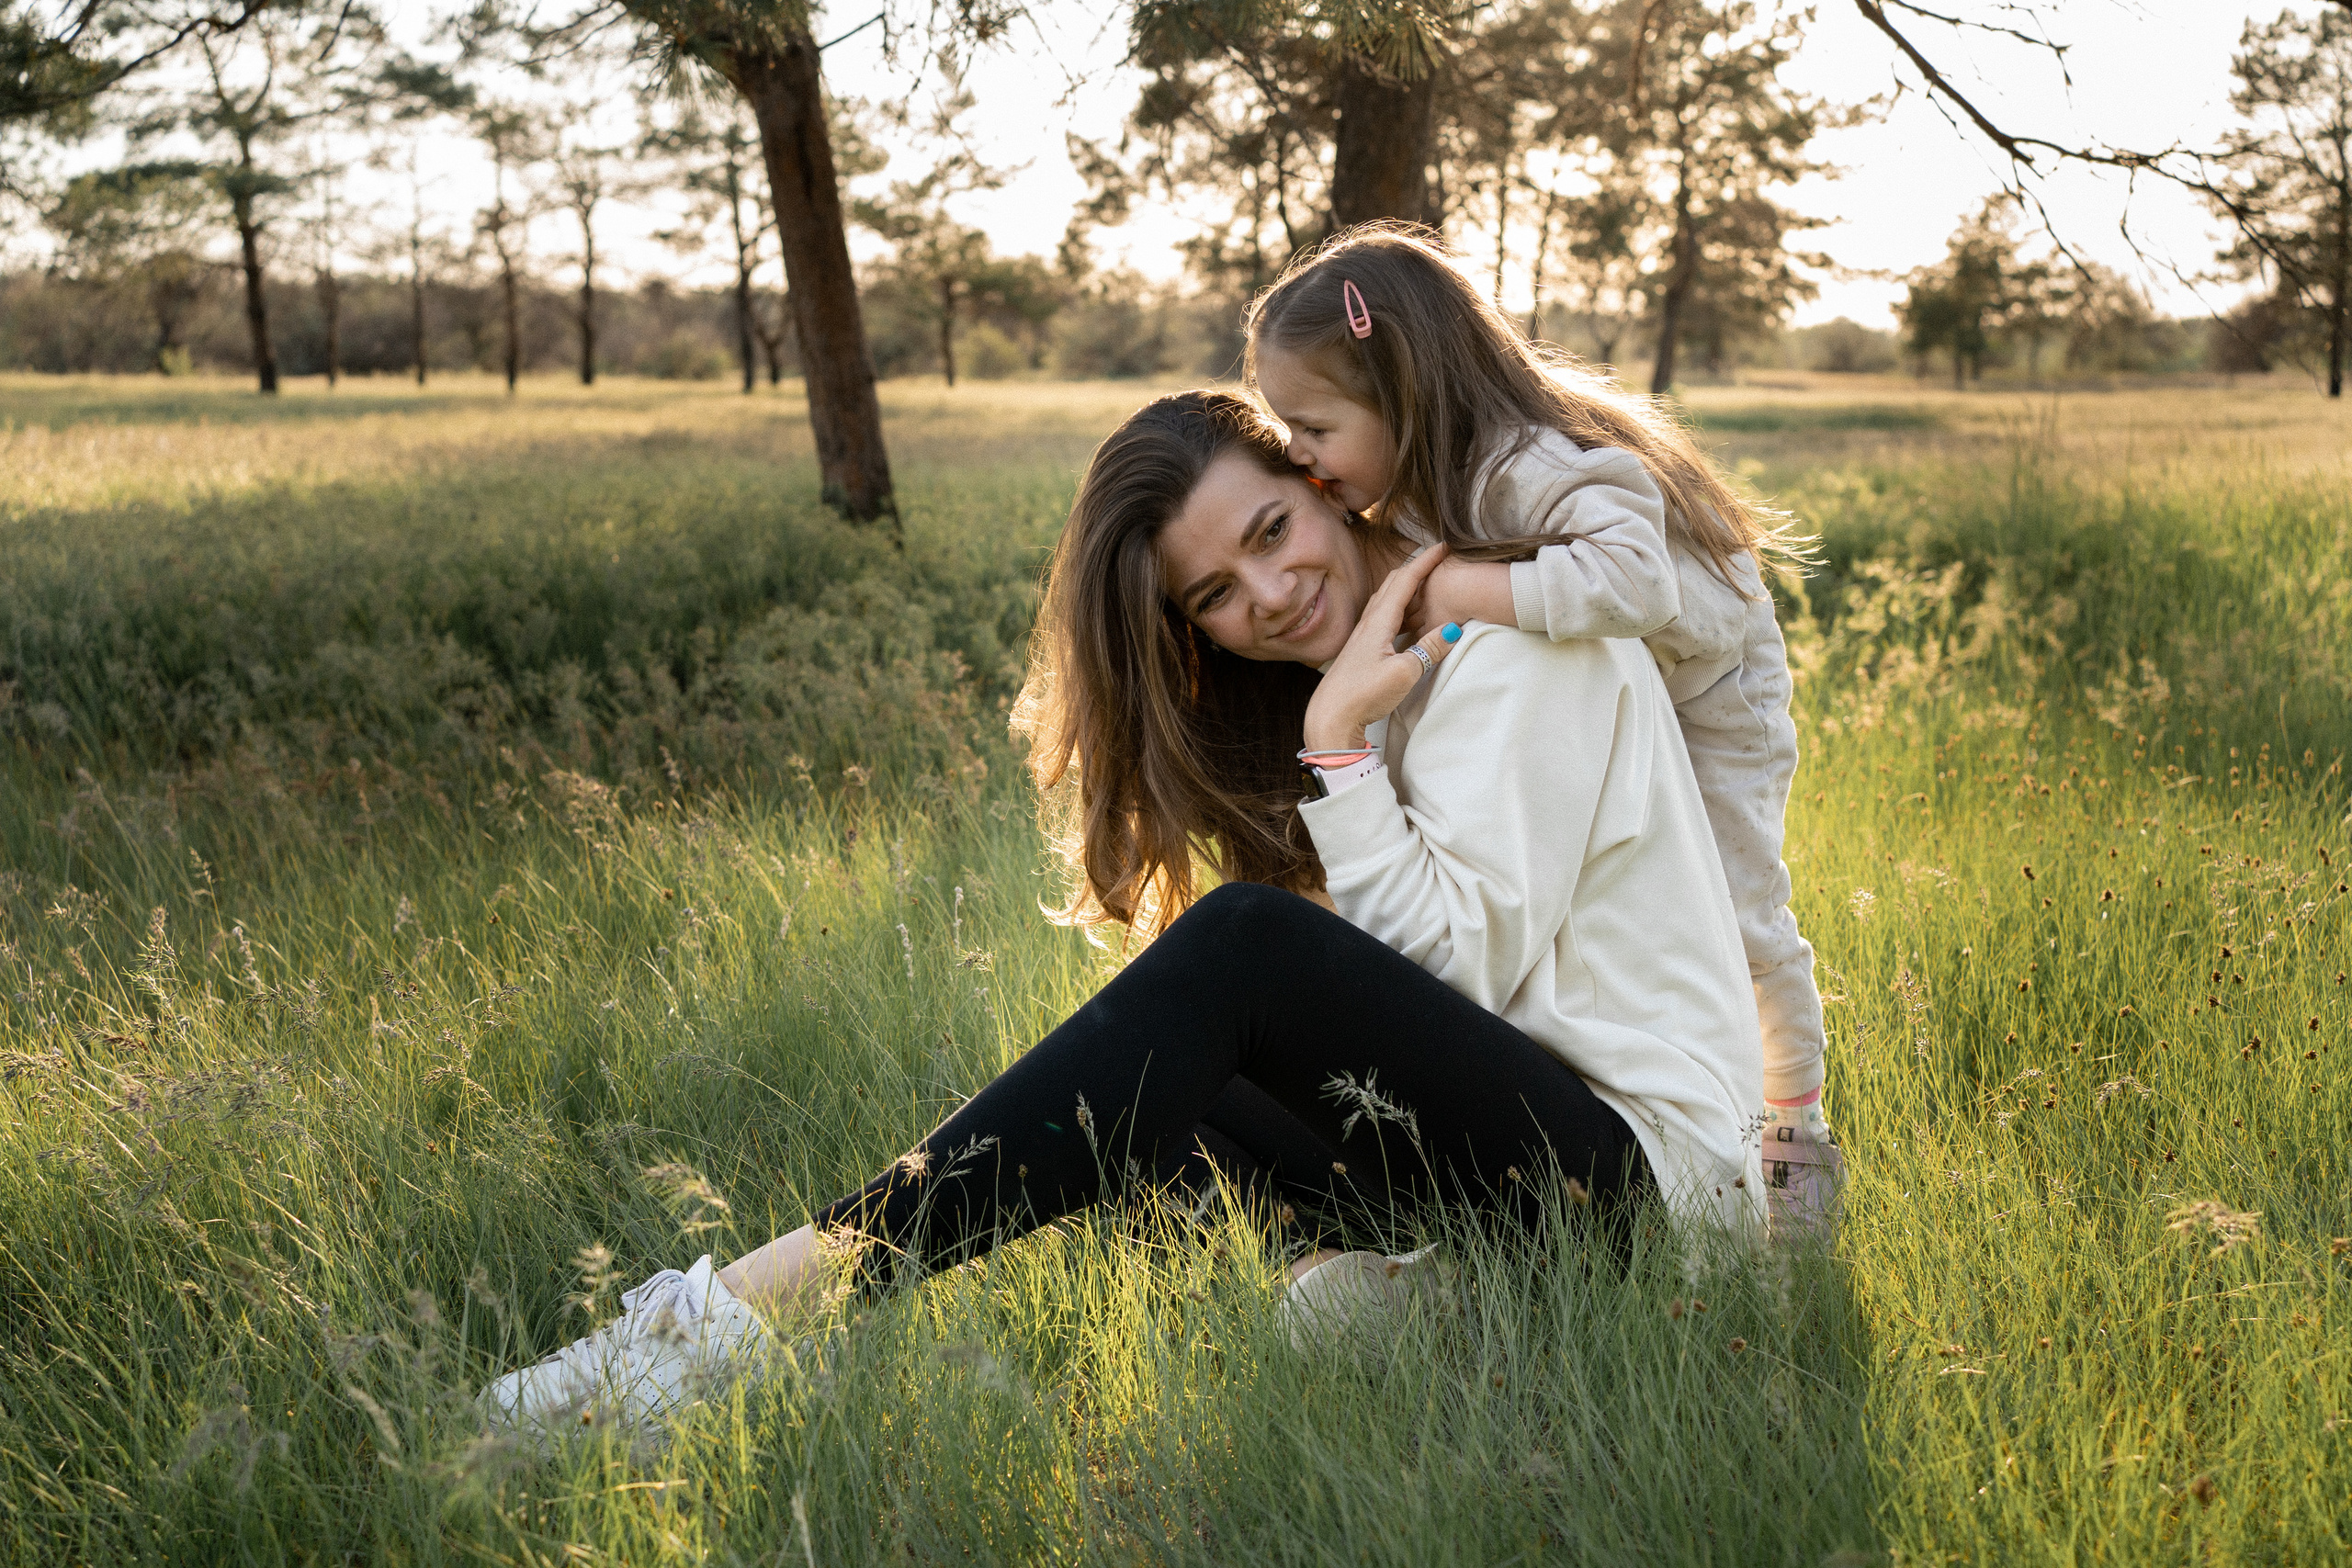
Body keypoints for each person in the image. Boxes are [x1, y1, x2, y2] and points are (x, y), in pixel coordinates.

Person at [479, 392, 1764, 1433]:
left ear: (1327, 482)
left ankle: (738, 1319)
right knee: (1164, 1067)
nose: (1263, 594)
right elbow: (1395, 1026)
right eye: (1212, 593)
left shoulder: (1510, 646)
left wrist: (1336, 751)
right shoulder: (1399, 671)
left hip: (1654, 1200)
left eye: (1269, 530)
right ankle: (1399, 1301)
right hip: (1534, 1175)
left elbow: (1451, 976)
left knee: (1241, 950)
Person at [1244, 223, 1839, 1237]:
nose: (1296, 456)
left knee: (1739, 914)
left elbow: (1636, 585)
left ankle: (1793, 1151)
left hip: (1713, 686)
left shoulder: (1523, 462)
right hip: (1637, 667)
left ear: (1402, 393)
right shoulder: (1428, 477)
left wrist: (1457, 589)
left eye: (1311, 425)